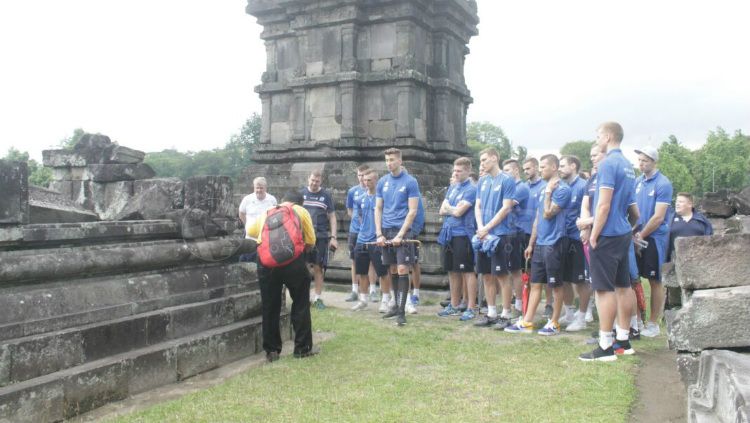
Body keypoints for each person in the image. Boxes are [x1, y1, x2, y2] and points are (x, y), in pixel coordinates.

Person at [579, 122, 639, 362]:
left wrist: (594, 235)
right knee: (623, 286)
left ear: (608, 136)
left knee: (603, 289)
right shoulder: (627, 165)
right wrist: (627, 227)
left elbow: (603, 205)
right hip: (622, 232)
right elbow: (635, 212)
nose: (597, 138)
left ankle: (605, 346)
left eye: (598, 135)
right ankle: (623, 340)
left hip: (607, 234)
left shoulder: (607, 165)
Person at [247, 191, 318, 362]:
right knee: (300, 303)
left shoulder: (267, 212)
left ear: (282, 200)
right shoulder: (301, 211)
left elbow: (250, 231)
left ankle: (272, 351)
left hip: (267, 264)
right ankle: (302, 348)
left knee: (270, 306)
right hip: (294, 262)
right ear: (299, 203)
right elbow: (311, 240)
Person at [505, 154, 571, 336]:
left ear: (554, 168)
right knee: (535, 283)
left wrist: (549, 192)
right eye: (540, 167)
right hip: (540, 242)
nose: (540, 170)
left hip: (555, 242)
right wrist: (531, 244)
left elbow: (549, 214)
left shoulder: (562, 189)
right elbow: (537, 218)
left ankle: (554, 322)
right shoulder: (544, 189)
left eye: (543, 167)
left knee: (556, 285)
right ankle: (527, 321)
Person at [375, 148, 421, 326]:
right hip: (386, 230)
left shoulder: (410, 182)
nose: (389, 163)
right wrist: (379, 233)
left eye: (392, 160)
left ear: (400, 161)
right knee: (392, 270)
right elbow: (378, 208)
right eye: (387, 160)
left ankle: (402, 311)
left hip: (403, 231)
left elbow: (413, 211)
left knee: (403, 269)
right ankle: (395, 306)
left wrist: (401, 235)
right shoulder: (382, 182)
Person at [473, 148, 516, 329]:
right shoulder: (482, 181)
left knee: (501, 275)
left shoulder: (507, 180)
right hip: (483, 234)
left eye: (484, 160)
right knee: (487, 275)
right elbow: (478, 206)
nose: (481, 163)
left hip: (500, 234)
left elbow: (506, 208)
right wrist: (481, 227)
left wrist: (488, 227)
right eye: (480, 160)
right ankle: (491, 312)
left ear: (494, 158)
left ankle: (506, 314)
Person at [633, 146, 673, 337]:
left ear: (654, 161)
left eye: (645, 160)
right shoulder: (637, 182)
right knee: (633, 279)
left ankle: (653, 323)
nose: (641, 163)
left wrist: (641, 235)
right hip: (636, 236)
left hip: (654, 239)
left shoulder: (663, 183)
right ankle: (637, 320)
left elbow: (658, 217)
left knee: (654, 280)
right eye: (639, 160)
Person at [437, 157, 478, 319]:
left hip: (463, 235)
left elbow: (458, 212)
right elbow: (442, 210)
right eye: (454, 170)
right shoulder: (452, 188)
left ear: (468, 171)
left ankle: (471, 308)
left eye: (459, 171)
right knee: (452, 271)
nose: (456, 173)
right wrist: (451, 208)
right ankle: (453, 305)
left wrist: (450, 208)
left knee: (467, 271)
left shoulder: (471, 189)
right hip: (448, 234)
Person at [558, 155, 591, 332]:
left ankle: (582, 316)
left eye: (563, 165)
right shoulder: (561, 186)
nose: (559, 168)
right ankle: (569, 312)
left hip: (577, 238)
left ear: (573, 166)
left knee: (580, 280)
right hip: (562, 238)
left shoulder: (583, 186)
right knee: (564, 278)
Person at [352, 169, 392, 311]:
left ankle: (386, 299)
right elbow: (360, 217)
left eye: (370, 180)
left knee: (382, 272)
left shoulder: (382, 198)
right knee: (362, 272)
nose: (366, 182)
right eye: (364, 179)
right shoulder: (360, 198)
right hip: (361, 239)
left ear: (376, 180)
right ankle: (363, 299)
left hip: (377, 240)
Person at [301, 170, 338, 310]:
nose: (314, 183)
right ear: (308, 179)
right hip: (303, 237)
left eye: (317, 181)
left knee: (318, 267)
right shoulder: (301, 194)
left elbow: (332, 217)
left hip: (320, 236)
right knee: (303, 267)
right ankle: (304, 296)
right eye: (312, 180)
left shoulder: (326, 195)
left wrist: (333, 237)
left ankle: (317, 297)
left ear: (321, 181)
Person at [522, 158, 553, 318]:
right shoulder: (524, 187)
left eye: (528, 168)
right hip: (526, 232)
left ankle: (549, 303)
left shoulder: (545, 186)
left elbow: (544, 213)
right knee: (529, 273)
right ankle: (525, 304)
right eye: (524, 169)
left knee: (547, 274)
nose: (526, 171)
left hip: (544, 235)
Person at [502, 159, 528, 320]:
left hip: (517, 233)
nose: (505, 173)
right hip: (507, 231)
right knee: (509, 270)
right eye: (503, 170)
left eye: (507, 170)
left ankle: (519, 303)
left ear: (516, 170)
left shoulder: (521, 188)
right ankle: (513, 301)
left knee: (516, 270)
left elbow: (507, 205)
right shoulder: (508, 187)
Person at [345, 165, 370, 302]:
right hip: (354, 231)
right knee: (354, 260)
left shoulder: (373, 191)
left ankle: (371, 290)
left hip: (369, 232)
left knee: (371, 262)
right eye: (359, 175)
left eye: (364, 175)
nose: (361, 178)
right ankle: (354, 289)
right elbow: (350, 210)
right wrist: (357, 221)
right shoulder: (352, 191)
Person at [239, 177, 278, 261]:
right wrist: (247, 225)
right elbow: (241, 213)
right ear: (254, 188)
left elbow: (276, 215)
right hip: (250, 238)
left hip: (267, 239)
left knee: (264, 262)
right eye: (257, 188)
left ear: (265, 188)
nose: (259, 190)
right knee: (249, 261)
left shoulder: (272, 200)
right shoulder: (247, 199)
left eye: (261, 188)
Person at [668, 192, 713, 260]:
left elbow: (710, 241)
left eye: (681, 202)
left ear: (690, 204)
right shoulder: (669, 220)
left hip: (699, 261)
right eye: (676, 201)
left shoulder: (702, 220)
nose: (677, 204)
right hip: (675, 261)